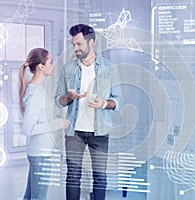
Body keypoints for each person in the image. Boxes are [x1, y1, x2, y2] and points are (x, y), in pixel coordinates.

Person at [54, 24, 124, 200]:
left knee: (100, 177)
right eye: (73, 44)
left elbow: (119, 101)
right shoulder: (68, 68)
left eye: (79, 44)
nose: (75, 48)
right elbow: (58, 100)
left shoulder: (109, 68)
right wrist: (69, 97)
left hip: (99, 132)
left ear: (91, 42)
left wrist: (103, 103)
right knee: (73, 177)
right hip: (74, 133)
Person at [19, 48, 70, 200]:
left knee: (30, 197)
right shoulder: (35, 93)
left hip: (39, 152)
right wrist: (58, 123)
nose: (53, 65)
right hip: (40, 154)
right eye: (50, 62)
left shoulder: (37, 89)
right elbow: (28, 128)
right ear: (41, 66)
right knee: (38, 197)